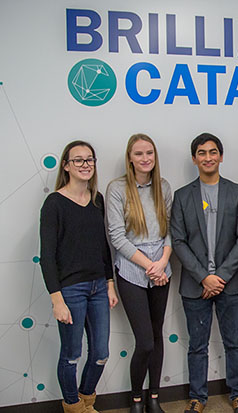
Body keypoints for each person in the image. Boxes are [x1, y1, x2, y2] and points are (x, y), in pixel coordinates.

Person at [170, 133, 238, 413]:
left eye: (213, 152)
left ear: (221, 156)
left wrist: (221, 277)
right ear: (194, 159)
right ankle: (197, 397)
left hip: (230, 284)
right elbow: (178, 241)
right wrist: (204, 276)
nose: (208, 157)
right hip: (195, 286)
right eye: (202, 153)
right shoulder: (182, 196)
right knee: (197, 346)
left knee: (233, 342)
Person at [39, 140, 119, 413]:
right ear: (66, 166)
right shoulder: (54, 204)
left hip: (99, 287)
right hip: (70, 290)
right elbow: (47, 256)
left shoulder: (97, 200)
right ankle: (72, 406)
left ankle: (86, 400)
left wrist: (109, 283)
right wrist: (56, 300)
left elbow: (103, 246)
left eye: (90, 160)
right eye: (78, 160)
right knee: (71, 355)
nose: (85, 165)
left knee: (100, 354)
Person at [105, 134, 172, 413]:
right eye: (139, 153)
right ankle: (135, 399)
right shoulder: (117, 188)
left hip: (162, 269)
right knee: (144, 341)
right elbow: (116, 237)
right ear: (130, 158)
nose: (145, 158)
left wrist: (163, 262)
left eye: (150, 153)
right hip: (132, 270)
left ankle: (153, 397)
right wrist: (149, 265)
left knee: (157, 336)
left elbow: (171, 231)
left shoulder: (164, 187)